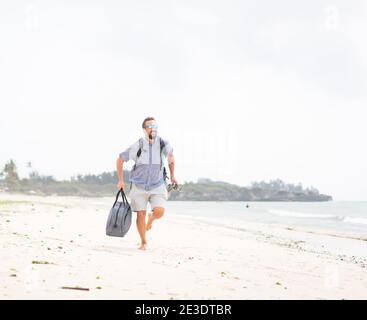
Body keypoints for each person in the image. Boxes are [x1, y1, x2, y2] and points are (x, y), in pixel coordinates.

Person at [116, 117, 177, 250]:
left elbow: (171, 158)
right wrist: (120, 180)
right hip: (138, 185)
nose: (153, 128)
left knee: (159, 212)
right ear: (144, 129)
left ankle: (152, 218)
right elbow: (120, 159)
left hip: (158, 184)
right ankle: (144, 242)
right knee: (140, 214)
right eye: (150, 126)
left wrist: (172, 176)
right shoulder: (138, 145)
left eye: (155, 126)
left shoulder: (163, 143)